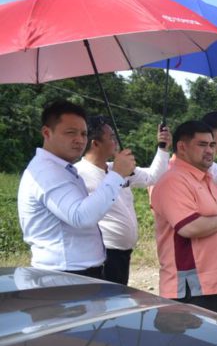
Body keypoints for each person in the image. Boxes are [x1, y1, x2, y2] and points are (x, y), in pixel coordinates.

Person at [17, 100, 136, 278]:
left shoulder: (62, 169)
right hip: (65, 275)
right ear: (47, 132)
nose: (80, 140)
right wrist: (117, 174)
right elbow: (81, 216)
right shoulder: (47, 172)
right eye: (70, 133)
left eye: (84, 133)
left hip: (76, 272)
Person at [151, 120, 217, 314]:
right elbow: (188, 227)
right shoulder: (174, 180)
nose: (209, 151)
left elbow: (215, 217)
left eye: (212, 145)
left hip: (210, 287)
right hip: (190, 289)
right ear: (182, 147)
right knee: (188, 343)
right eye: (202, 145)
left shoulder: (206, 179)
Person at [74, 117, 170, 285]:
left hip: (123, 254)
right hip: (102, 255)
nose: (115, 141)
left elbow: (153, 176)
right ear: (95, 143)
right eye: (111, 137)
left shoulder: (117, 168)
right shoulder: (78, 174)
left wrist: (162, 148)